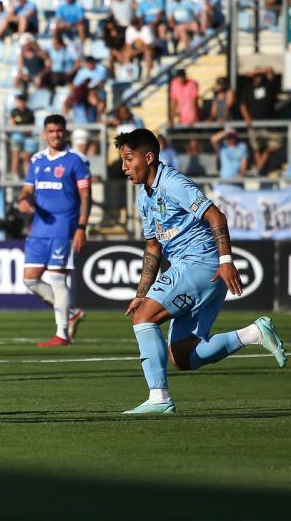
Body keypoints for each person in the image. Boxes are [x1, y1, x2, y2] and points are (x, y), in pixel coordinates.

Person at [115, 128, 285, 414]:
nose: (124, 167)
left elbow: (215, 215)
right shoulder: (143, 196)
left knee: (144, 318)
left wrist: (226, 261)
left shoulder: (173, 183)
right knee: (183, 356)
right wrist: (140, 293)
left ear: (149, 156)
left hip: (200, 263)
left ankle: (159, 398)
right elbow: (153, 248)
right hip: (198, 271)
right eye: (122, 160)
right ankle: (254, 333)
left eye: (128, 159)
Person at [17, 114, 89, 347]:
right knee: (30, 280)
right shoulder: (37, 160)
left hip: (64, 226)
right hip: (39, 228)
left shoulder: (76, 160)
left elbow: (86, 196)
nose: (55, 134)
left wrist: (81, 227)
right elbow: (27, 190)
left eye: (59, 130)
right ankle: (72, 312)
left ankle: (62, 333)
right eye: (51, 130)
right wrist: (24, 200)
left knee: (58, 278)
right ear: (44, 134)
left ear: (65, 132)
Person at [9, 93, 36, 179]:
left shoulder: (30, 112)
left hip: (28, 137)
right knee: (16, 147)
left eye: (23, 101)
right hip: (18, 135)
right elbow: (12, 125)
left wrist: (25, 131)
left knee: (27, 158)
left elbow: (32, 127)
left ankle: (28, 177)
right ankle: (14, 174)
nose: (21, 103)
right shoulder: (14, 112)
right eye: (20, 101)